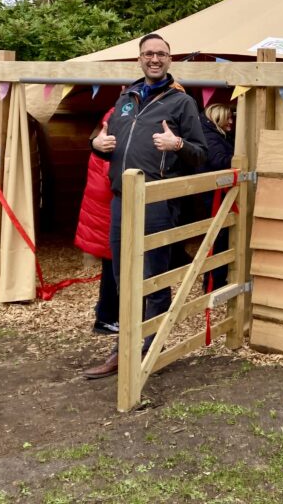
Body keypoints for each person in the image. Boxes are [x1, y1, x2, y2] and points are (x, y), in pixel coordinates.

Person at [82, 34, 207, 379]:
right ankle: (123, 350)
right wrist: (96, 146)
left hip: (157, 202)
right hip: (121, 201)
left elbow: (201, 155)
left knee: (153, 277)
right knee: (123, 279)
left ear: (169, 60)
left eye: (161, 54)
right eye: (149, 53)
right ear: (139, 58)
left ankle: (151, 348)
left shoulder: (182, 103)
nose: (155, 59)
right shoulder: (126, 98)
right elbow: (108, 144)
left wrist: (177, 144)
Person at [74, 107, 118, 335]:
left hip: (105, 202)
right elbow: (110, 166)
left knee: (113, 262)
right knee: (113, 263)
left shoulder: (115, 115)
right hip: (108, 204)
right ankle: (106, 318)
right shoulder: (119, 117)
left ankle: (106, 311)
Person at [199, 103, 235, 290]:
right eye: (228, 118)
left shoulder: (216, 134)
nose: (231, 122)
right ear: (218, 118)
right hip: (214, 195)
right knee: (218, 238)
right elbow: (219, 161)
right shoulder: (211, 137)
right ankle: (213, 283)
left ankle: (216, 281)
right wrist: (240, 160)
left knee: (220, 237)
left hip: (219, 193)